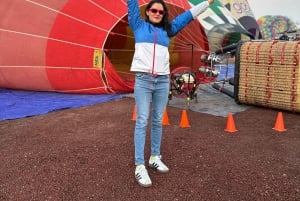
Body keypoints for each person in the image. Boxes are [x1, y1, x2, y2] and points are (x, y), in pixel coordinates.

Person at [126, 0, 214, 187]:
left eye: (161, 11)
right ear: (147, 12)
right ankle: (139, 165)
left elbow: (188, 15)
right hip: (143, 80)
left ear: (163, 14)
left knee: (158, 120)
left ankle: (155, 157)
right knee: (142, 120)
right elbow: (132, 4)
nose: (157, 13)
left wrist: (207, 3)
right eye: (154, 10)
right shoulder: (138, 24)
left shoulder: (169, 30)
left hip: (163, 81)